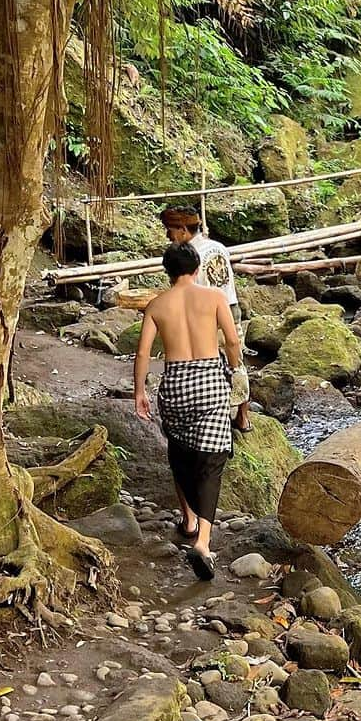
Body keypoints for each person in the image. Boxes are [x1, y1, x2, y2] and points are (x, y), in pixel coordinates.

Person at [134, 242, 242, 581]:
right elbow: (233, 341)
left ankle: (189, 519)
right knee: (211, 462)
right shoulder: (213, 298)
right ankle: (203, 542)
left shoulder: (156, 305)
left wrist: (139, 392)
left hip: (177, 383)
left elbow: (142, 355)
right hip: (210, 381)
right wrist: (235, 369)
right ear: (197, 268)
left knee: (179, 450)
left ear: (167, 272)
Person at [159, 205, 252, 433]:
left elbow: (188, 290)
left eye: (169, 230)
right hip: (231, 306)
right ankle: (243, 415)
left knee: (208, 364)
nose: (168, 236)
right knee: (235, 359)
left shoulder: (187, 255)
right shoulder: (218, 247)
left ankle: (211, 414)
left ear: (182, 229)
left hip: (206, 311)